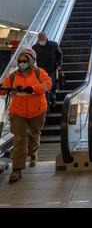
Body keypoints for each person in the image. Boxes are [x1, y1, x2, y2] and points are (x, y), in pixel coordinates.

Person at [0, 48, 51, 183]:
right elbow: (4, 88)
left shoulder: (40, 73)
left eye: (25, 61)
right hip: (18, 112)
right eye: (20, 61)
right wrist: (2, 89)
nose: (22, 63)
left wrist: (34, 89)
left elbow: (47, 84)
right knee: (19, 139)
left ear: (32, 61)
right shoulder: (12, 76)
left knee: (34, 134)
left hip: (37, 111)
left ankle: (33, 153)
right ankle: (17, 169)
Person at [32, 32, 63, 111]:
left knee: (52, 86)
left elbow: (59, 55)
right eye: (40, 40)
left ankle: (53, 98)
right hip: (41, 71)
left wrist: (59, 64)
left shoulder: (54, 44)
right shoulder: (35, 47)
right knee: (45, 88)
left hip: (52, 69)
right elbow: (33, 58)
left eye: (42, 40)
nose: (41, 41)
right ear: (38, 40)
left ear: (46, 38)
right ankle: (47, 106)